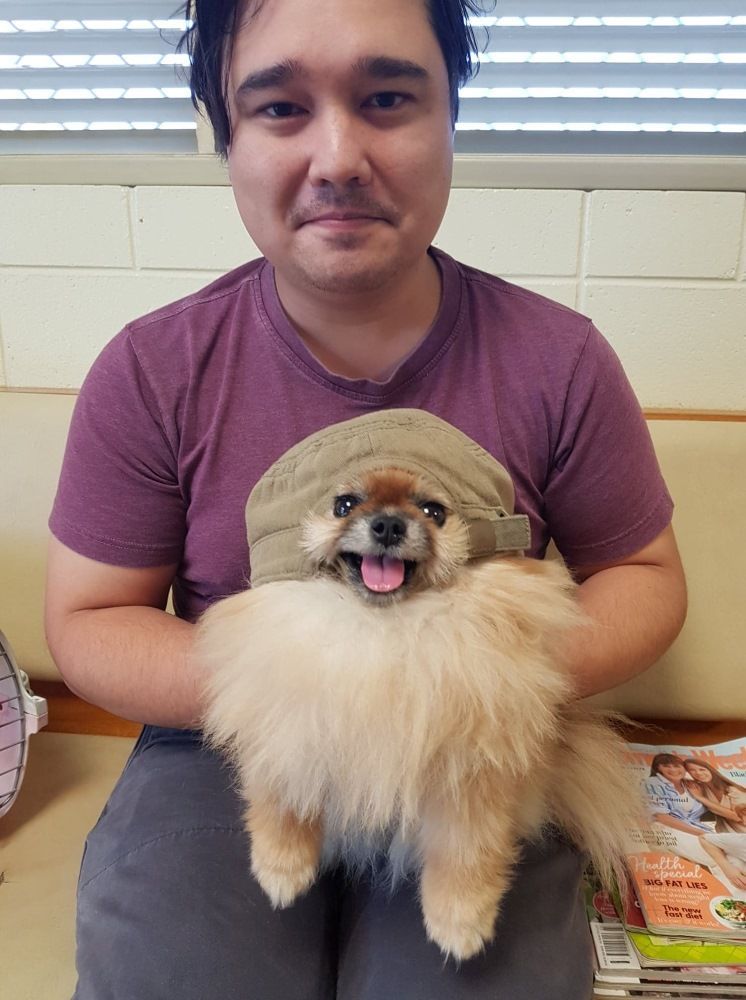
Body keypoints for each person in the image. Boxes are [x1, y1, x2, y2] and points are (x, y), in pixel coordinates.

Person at [44, 1, 688, 997]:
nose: (339, 158)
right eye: (280, 108)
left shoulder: (558, 360)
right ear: (226, 135)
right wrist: (311, 698)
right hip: (229, 738)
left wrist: (474, 687)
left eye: (386, 98)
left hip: (475, 738)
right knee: (182, 975)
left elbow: (643, 576)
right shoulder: (153, 368)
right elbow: (90, 618)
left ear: (449, 115)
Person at [685, 759, 746, 834]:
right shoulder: (703, 789)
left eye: (702, 769)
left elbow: (739, 817)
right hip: (726, 832)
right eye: (692, 770)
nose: (698, 773)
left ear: (710, 770)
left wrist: (701, 798)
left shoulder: (733, 790)